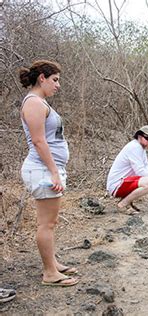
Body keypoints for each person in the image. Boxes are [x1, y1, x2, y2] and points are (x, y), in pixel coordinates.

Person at [19, 60, 78, 287]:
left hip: (47, 169)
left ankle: (52, 263)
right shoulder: (34, 103)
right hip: (42, 169)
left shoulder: (40, 102)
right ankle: (50, 273)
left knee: (49, 222)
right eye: (55, 80)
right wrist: (54, 171)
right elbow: (38, 141)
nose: (58, 85)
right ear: (41, 78)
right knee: (46, 224)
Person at [106, 126, 148, 212]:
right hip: (116, 185)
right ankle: (122, 205)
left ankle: (127, 202)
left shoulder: (140, 148)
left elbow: (146, 166)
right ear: (139, 136)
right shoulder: (135, 147)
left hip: (122, 182)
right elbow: (140, 171)